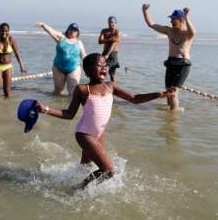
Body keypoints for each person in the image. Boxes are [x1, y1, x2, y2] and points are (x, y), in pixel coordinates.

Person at [34, 53, 173, 189]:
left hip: (99, 134)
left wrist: (159, 94)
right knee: (108, 170)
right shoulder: (82, 89)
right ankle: (78, 188)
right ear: (87, 71)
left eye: (105, 65)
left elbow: (134, 98)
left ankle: (66, 180)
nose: (104, 68)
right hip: (85, 134)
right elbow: (69, 114)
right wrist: (45, 109)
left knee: (86, 166)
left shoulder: (111, 86)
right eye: (99, 65)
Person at [142, 4, 196, 110]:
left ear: (181, 20)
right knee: (168, 91)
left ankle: (173, 118)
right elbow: (151, 24)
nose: (171, 21)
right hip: (171, 62)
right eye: (171, 19)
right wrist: (145, 11)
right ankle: (169, 112)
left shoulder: (187, 34)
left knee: (173, 92)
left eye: (173, 19)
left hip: (183, 64)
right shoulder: (169, 31)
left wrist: (187, 16)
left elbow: (193, 32)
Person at [36, 22, 86, 95]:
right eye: (71, 29)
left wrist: (89, 67)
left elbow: (83, 56)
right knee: (58, 90)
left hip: (74, 68)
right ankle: (57, 104)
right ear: (68, 30)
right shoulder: (61, 38)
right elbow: (52, 32)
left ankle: (71, 105)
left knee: (73, 91)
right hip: (58, 68)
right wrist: (44, 25)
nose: (72, 31)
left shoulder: (79, 43)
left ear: (77, 33)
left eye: (75, 30)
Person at [0, 22, 27, 99]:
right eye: (2, 31)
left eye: (6, 31)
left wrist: (21, 66)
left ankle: (6, 108)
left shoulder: (11, 40)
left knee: (7, 91)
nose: (4, 32)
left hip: (8, 67)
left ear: (8, 31)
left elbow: (17, 53)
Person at [98, 16, 121, 82]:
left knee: (111, 72)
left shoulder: (117, 32)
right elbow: (100, 41)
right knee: (102, 70)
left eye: (113, 22)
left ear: (116, 23)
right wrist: (108, 39)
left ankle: (114, 87)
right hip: (104, 52)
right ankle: (101, 85)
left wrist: (108, 54)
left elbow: (113, 44)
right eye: (110, 22)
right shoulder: (104, 31)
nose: (111, 24)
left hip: (113, 54)